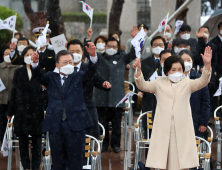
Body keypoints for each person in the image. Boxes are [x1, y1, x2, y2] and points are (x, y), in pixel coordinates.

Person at [133, 46, 212, 170]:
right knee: (163, 162)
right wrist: (138, 72)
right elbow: (143, 85)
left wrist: (207, 65)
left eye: (180, 69)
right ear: (167, 71)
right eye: (173, 69)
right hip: (163, 129)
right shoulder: (159, 82)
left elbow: (203, 81)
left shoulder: (187, 82)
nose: (177, 72)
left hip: (182, 129)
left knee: (182, 163)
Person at [30, 43, 98, 170]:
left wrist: (93, 57)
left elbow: (91, 71)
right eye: (65, 62)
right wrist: (34, 64)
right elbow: (38, 76)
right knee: (57, 161)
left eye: (71, 62)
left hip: (76, 124)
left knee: (76, 161)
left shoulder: (79, 76)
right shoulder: (51, 77)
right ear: (57, 65)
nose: (68, 64)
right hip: (56, 124)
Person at [85, 37, 136, 153]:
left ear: (118, 48)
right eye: (109, 46)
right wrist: (87, 38)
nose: (111, 48)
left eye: (114, 46)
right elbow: (87, 53)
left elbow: (133, 53)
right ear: (105, 46)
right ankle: (104, 144)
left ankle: (116, 145)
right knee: (102, 124)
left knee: (117, 124)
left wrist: (134, 39)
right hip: (101, 98)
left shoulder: (122, 58)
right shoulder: (98, 58)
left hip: (117, 98)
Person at [6, 46, 47, 170]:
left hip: (37, 110)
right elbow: (14, 92)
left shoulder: (41, 72)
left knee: (37, 141)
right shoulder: (19, 72)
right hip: (21, 111)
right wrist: (10, 110)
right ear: (23, 57)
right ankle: (25, 166)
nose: (29, 57)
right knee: (22, 141)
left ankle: (35, 166)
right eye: (26, 54)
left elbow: (45, 93)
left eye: (31, 54)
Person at [66, 39, 111, 139]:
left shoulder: (88, 68)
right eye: (72, 52)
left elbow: (98, 79)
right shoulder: (61, 69)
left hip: (86, 109)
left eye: (77, 51)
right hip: (68, 110)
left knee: (89, 141)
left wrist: (104, 83)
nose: (75, 54)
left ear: (82, 52)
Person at [179, 49, 210, 138]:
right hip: (178, 119)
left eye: (188, 60)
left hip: (195, 120)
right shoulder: (173, 78)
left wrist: (203, 123)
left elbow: (205, 103)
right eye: (183, 60)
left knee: (194, 148)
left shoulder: (199, 79)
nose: (186, 62)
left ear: (192, 61)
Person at [126, 24, 152, 115]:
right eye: (139, 29)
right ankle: (132, 114)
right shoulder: (130, 41)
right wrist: (134, 64)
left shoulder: (150, 41)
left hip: (146, 73)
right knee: (133, 94)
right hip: (134, 72)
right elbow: (127, 56)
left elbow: (151, 55)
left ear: (147, 31)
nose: (141, 31)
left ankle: (144, 112)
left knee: (145, 93)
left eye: (143, 30)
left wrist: (144, 66)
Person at [138, 36, 165, 118]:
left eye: (161, 45)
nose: (158, 47)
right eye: (155, 45)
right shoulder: (144, 62)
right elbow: (140, 78)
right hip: (148, 97)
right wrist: (139, 90)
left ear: (164, 46)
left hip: (164, 97)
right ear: (151, 47)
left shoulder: (171, 61)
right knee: (148, 124)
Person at [0, 45, 22, 144]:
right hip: (2, 100)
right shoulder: (0, 67)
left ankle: (12, 141)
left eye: (9, 54)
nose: (7, 55)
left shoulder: (19, 67)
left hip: (15, 101)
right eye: (5, 54)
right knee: (2, 122)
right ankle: (3, 142)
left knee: (14, 122)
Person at [196, 26, 218, 118]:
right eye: (202, 31)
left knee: (209, 97)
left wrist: (212, 70)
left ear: (209, 34)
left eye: (206, 32)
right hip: (198, 74)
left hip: (210, 74)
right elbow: (196, 58)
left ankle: (208, 116)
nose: (204, 33)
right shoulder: (197, 45)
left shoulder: (213, 46)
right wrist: (201, 68)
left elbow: (215, 60)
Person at [210, 21, 222, 110]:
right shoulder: (213, 42)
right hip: (217, 72)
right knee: (215, 92)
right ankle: (214, 112)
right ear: (218, 29)